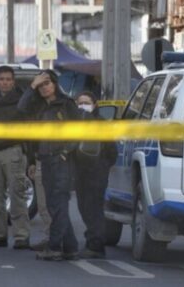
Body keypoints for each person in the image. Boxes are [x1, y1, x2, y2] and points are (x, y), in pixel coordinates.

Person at [18, 70, 81, 261]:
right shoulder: (39, 108)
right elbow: (21, 109)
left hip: (61, 160)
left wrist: (65, 153)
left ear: (55, 84)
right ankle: (70, 247)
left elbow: (79, 131)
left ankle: (54, 247)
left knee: (58, 204)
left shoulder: (66, 104)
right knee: (54, 205)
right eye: (40, 85)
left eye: (47, 83)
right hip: (44, 159)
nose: (44, 87)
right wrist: (31, 86)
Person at [0, 66, 32, 250]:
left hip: (14, 150)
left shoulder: (20, 101)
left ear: (13, 81)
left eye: (8, 79)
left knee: (17, 195)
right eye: (2, 79)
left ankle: (21, 236)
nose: (5, 82)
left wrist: (29, 154)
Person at [73, 91, 117, 259]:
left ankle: (96, 245)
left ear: (94, 104)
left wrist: (102, 166)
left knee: (93, 209)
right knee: (83, 207)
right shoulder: (76, 123)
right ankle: (92, 240)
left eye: (86, 102)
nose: (83, 106)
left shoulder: (101, 124)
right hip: (80, 172)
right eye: (80, 102)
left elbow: (112, 152)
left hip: (96, 172)